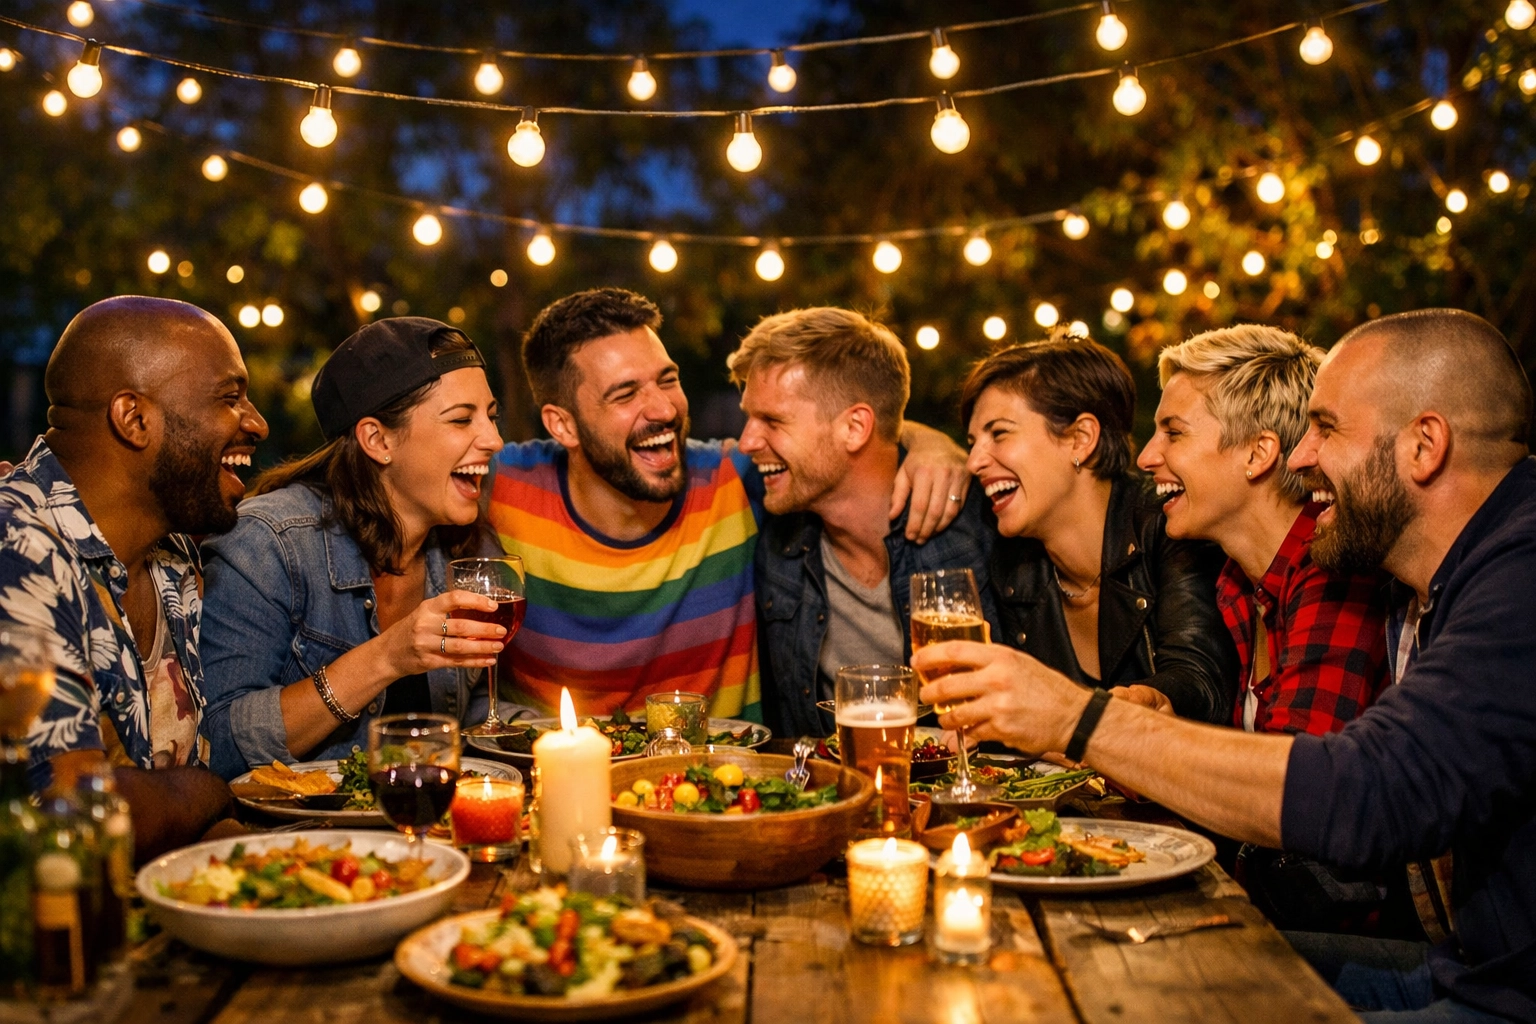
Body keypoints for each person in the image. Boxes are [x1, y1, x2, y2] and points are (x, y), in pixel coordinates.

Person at [915, 309, 1536, 1022]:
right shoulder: (1331, 583)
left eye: (1326, 429)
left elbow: (1366, 792)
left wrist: (1079, 717)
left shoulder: (1515, 571)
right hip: (1463, 970)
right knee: (1115, 971)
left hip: (1504, 999)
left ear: (1425, 445)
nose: (1303, 457)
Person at [487, 287, 970, 721]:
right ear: (562, 425)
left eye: (667, 379)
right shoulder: (500, 485)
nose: (664, 408)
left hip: (730, 794)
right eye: (626, 393)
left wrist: (932, 444)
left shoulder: (734, 479)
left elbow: (835, 441)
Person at [0, 296, 266, 862]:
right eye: (230, 396)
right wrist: (211, 794)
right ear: (134, 419)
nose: (257, 423)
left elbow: (169, 818)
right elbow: (67, 814)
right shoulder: (18, 549)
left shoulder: (174, 558)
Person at [199, 319, 508, 779]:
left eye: (491, 415)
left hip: (425, 829)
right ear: (377, 440)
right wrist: (386, 657)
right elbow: (215, 745)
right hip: (300, 839)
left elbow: (477, 718)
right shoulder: (268, 545)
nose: (494, 440)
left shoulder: (468, 546)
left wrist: (576, 738)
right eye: (462, 419)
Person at [729, 308, 998, 739]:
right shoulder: (771, 514)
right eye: (749, 417)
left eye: (773, 421)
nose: (747, 442)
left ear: (855, 427)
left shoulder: (981, 524)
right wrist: (922, 434)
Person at [957, 335, 1236, 724]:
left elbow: (1201, 684)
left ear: (1080, 438)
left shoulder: (1170, 527)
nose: (973, 462)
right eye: (972, 443)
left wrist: (1124, 712)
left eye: (999, 433)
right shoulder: (1014, 561)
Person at [1137, 325, 1389, 735]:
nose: (1147, 457)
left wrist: (1133, 740)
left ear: (1258, 453)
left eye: (1174, 433)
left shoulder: (1331, 565)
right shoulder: (1237, 582)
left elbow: (1293, 776)